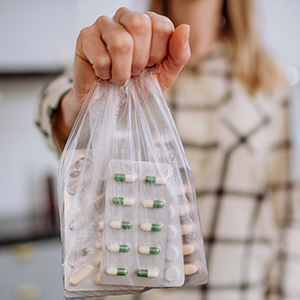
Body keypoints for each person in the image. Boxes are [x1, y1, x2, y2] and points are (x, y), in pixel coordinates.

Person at [36, 0, 300, 299]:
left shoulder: (268, 80)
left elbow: (289, 208)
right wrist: (79, 103)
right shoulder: (132, 61)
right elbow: (54, 108)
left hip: (240, 290)